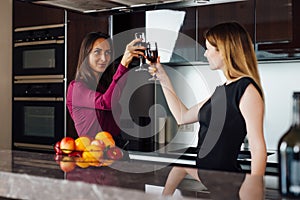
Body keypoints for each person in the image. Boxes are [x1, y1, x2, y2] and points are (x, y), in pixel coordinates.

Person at [148, 22, 267, 195]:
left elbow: (257, 146)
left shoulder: (246, 89)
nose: (205, 53)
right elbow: (182, 116)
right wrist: (163, 77)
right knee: (180, 166)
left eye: (209, 48)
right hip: (212, 180)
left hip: (232, 186)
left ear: (224, 51)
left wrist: (254, 183)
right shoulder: (221, 91)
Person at [67, 32, 145, 148]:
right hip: (93, 152)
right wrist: (123, 64)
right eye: (97, 52)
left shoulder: (104, 85)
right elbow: (106, 103)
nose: (104, 58)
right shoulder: (76, 88)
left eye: (107, 53)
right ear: (86, 55)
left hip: (115, 148)